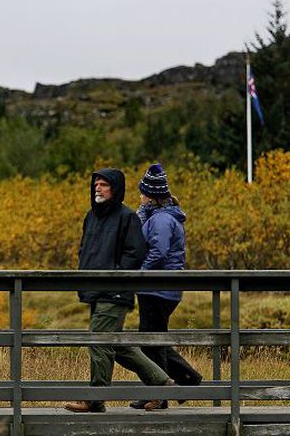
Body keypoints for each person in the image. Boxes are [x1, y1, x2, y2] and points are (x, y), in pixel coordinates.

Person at [64, 168, 175, 413]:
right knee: (117, 345)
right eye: (96, 185)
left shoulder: (127, 217)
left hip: (115, 291)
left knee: (99, 340)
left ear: (115, 189)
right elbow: (84, 248)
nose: (98, 189)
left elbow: (135, 254)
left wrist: (116, 274)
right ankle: (161, 382)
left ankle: (95, 399)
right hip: (94, 289)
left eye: (103, 185)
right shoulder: (91, 216)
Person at [129, 163, 203, 410]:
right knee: (154, 339)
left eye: (142, 193)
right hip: (160, 288)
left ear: (151, 196)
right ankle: (184, 379)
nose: (139, 197)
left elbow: (159, 252)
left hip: (158, 288)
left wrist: (140, 273)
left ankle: (160, 393)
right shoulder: (158, 216)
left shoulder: (161, 219)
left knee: (151, 341)